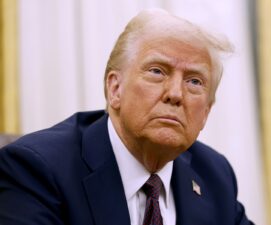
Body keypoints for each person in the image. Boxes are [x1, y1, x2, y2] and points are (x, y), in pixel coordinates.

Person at [0, 9, 255, 225]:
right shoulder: (37, 170)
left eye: (195, 81)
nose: (176, 94)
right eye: (157, 71)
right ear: (115, 89)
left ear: (207, 111)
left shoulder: (214, 176)